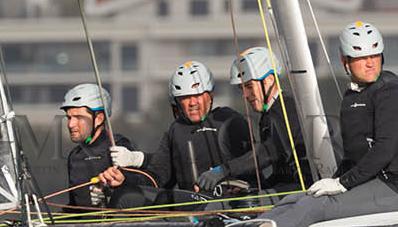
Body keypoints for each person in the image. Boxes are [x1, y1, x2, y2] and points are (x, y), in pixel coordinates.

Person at [257, 21, 398, 227]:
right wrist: (333, 180)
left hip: (394, 188)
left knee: (313, 207)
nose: (370, 63)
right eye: (361, 58)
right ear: (345, 61)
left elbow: (384, 150)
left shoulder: (392, 92)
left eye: (375, 56)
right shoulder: (352, 97)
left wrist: (341, 183)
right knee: (296, 200)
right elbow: (353, 156)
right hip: (365, 183)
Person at [105, 61, 252, 210]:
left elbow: (253, 163)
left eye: (198, 95)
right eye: (185, 97)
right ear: (176, 102)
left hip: (230, 204)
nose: (192, 103)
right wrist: (125, 179)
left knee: (164, 199)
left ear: (210, 95)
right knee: (126, 196)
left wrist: (226, 176)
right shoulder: (176, 130)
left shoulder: (229, 119)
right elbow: (156, 177)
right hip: (191, 206)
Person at [194, 46, 311, 199]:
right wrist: (254, 189)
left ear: (269, 79)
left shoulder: (288, 106)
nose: (245, 95)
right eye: (241, 88)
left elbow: (268, 152)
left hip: (310, 192)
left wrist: (223, 170)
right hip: (293, 190)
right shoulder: (268, 114)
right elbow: (280, 173)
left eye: (249, 86)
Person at [61, 83, 145, 209]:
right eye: (69, 118)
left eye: (78, 117)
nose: (71, 124)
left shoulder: (120, 146)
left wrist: (123, 180)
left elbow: (143, 187)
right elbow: (74, 208)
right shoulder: (74, 156)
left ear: (99, 118)